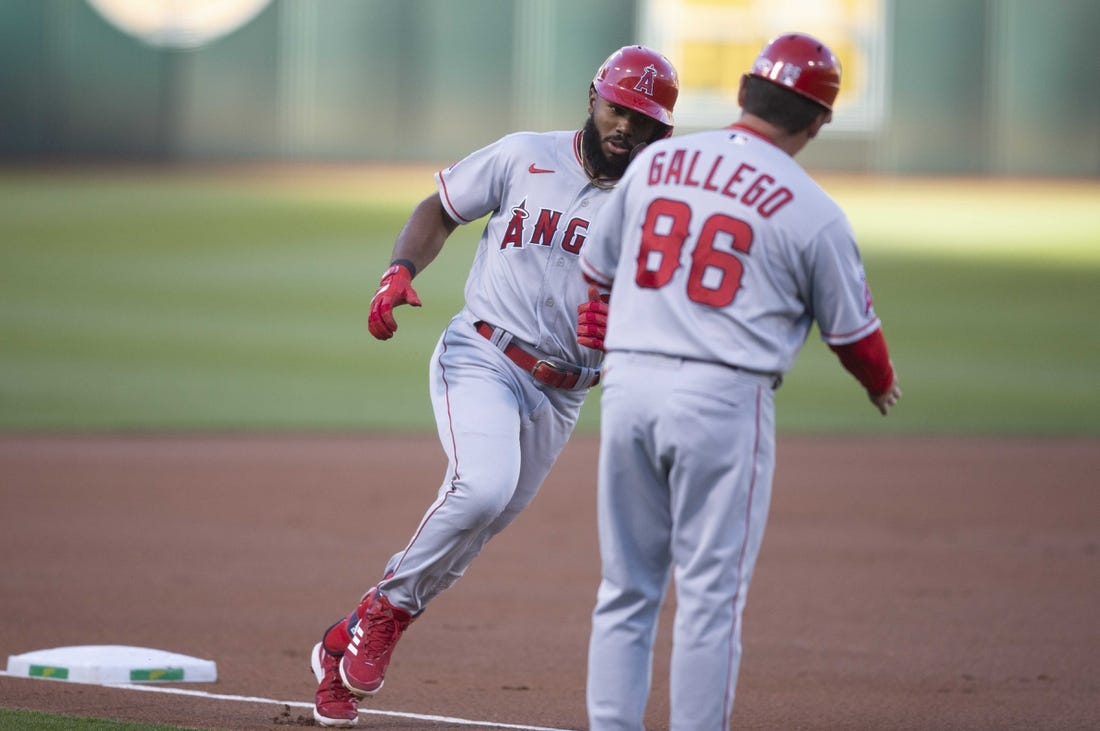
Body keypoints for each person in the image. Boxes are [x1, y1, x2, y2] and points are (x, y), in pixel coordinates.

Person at [308, 45, 680, 727]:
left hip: (565, 393)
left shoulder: (656, 207)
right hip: (484, 354)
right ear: (593, 98)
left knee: (477, 529)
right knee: (480, 488)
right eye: (617, 109)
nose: (626, 126)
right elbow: (441, 207)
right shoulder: (524, 155)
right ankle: (382, 614)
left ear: (662, 131)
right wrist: (399, 271)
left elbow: (667, 311)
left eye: (644, 120)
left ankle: (349, 636)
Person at [578, 33, 902, 731]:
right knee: (709, 598)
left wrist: (616, 329)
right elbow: (853, 336)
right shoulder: (812, 208)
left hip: (629, 386)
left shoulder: (655, 163)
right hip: (721, 401)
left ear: (743, 93)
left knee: (625, 586)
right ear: (818, 122)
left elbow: (597, 271)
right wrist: (879, 380)